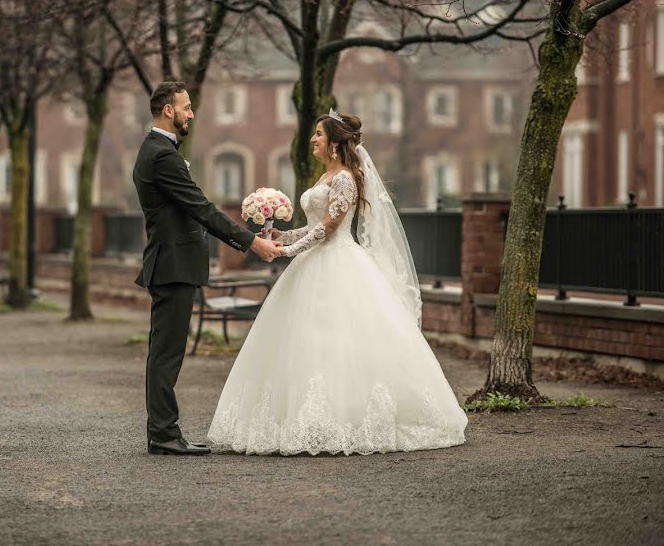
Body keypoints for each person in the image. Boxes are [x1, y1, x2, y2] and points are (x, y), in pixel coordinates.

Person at [207, 109, 469, 456]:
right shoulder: (323, 177)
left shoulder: (345, 177)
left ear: (333, 141)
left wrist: (288, 251)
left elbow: (329, 228)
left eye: (318, 134)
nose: (313, 139)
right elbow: (313, 224)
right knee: (301, 341)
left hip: (338, 262)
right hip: (312, 262)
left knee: (340, 340)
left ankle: (351, 417)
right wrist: (282, 237)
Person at [133, 80, 283, 456]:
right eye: (185, 107)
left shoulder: (157, 150)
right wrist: (252, 243)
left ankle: (162, 431)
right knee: (167, 354)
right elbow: (201, 208)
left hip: (170, 263)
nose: (191, 113)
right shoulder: (162, 155)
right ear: (168, 110)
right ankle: (164, 434)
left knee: (164, 351)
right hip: (172, 265)